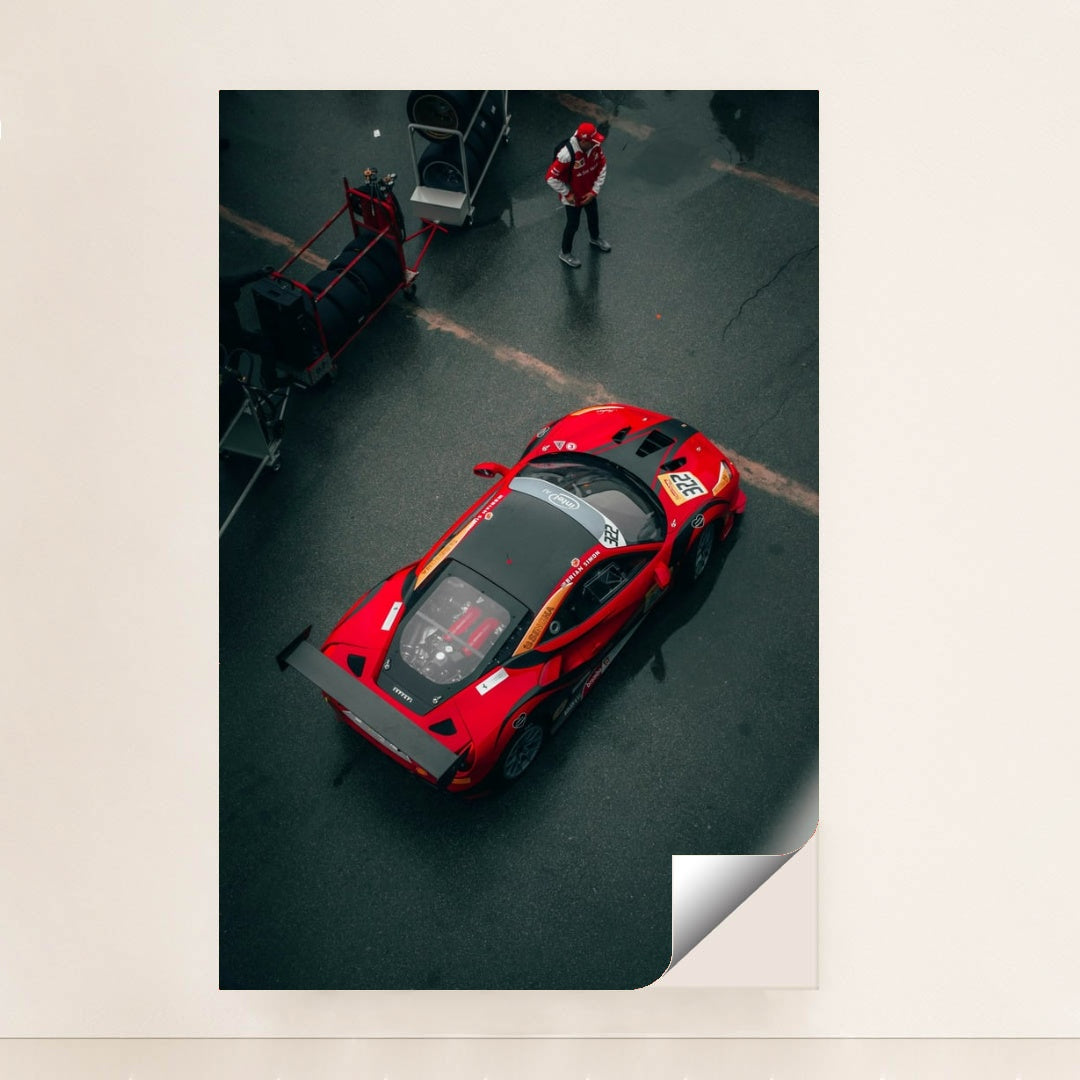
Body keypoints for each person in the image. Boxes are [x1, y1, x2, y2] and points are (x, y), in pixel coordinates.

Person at [545, 122, 612, 268]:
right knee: (573, 225)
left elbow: (602, 166)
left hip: (589, 192)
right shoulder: (566, 155)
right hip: (573, 198)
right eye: (593, 141)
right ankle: (565, 252)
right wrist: (567, 194)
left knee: (593, 216)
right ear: (583, 141)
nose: (597, 143)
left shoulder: (594, 145)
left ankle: (595, 238)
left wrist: (594, 191)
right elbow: (550, 177)